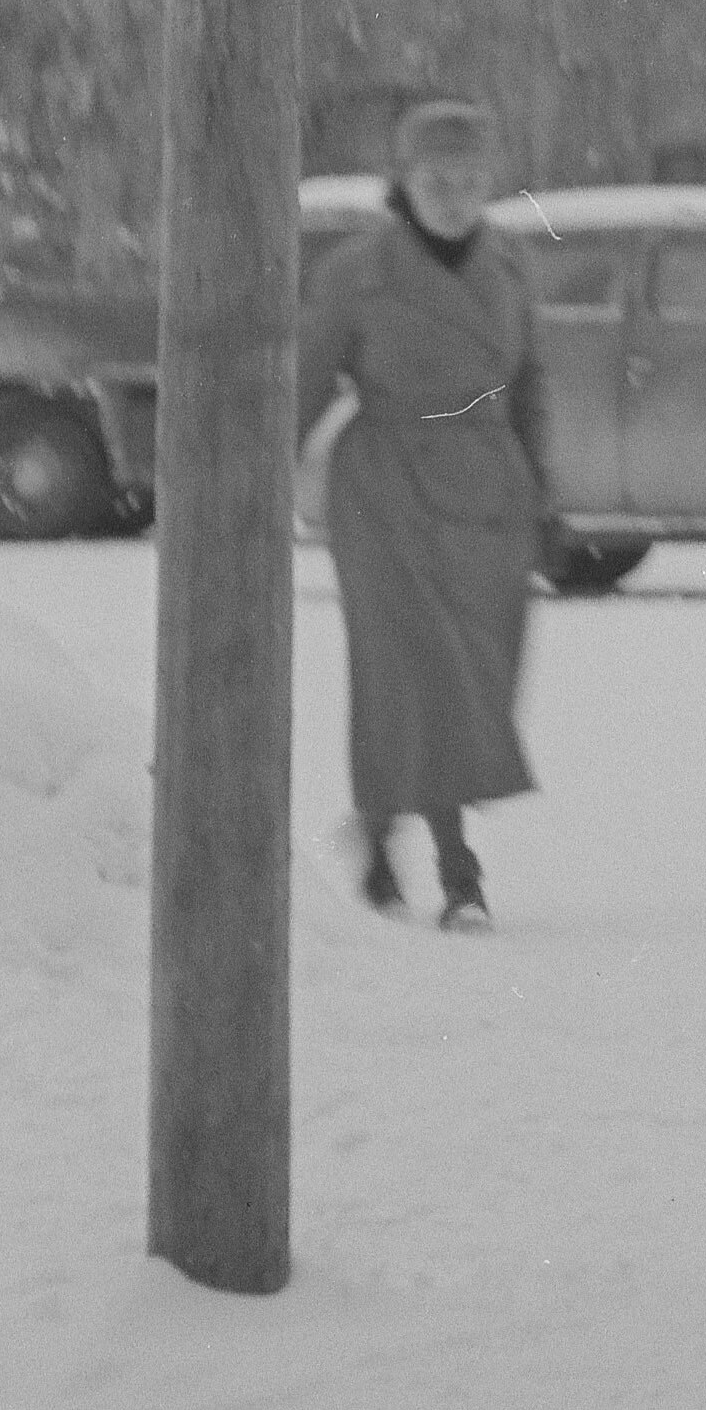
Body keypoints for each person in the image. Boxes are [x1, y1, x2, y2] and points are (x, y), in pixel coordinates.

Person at [297, 98, 549, 929]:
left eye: (471, 180)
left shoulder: (509, 264)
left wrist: (547, 497)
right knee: (418, 673)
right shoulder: (355, 271)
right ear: (402, 182)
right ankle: (458, 871)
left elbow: (532, 386)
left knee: (472, 683)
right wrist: (256, 484)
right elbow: (305, 380)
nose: (455, 197)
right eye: (437, 180)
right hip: (388, 494)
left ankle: (376, 830)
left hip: (488, 495)